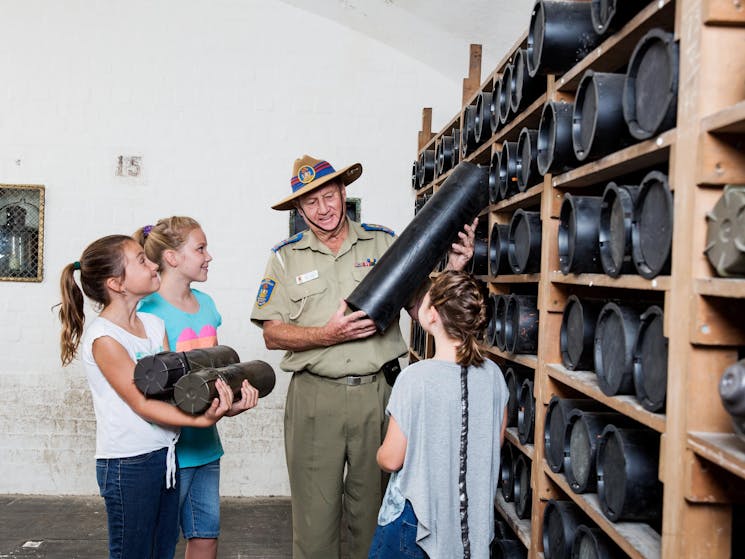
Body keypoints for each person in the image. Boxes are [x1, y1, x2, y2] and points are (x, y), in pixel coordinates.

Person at [250, 154, 476, 559]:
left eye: (329, 195)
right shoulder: (285, 257)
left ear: (343, 192)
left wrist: (453, 271)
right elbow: (272, 333)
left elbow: (424, 309)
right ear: (299, 209)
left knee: (374, 514)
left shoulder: (383, 242)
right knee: (314, 522)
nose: (323, 209)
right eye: (311, 202)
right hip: (315, 400)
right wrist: (327, 335)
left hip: (380, 396)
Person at [57, 234, 235, 559]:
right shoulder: (105, 338)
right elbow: (142, 403)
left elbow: (172, 393)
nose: (153, 264)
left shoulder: (154, 325)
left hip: (164, 457)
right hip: (128, 465)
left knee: (162, 551)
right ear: (117, 283)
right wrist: (203, 418)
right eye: (141, 260)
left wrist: (225, 400)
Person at [134, 217, 259, 559]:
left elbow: (213, 379)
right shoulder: (146, 313)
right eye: (200, 248)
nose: (209, 256)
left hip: (206, 447)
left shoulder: (207, 305)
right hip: (169, 452)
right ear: (172, 257)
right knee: (159, 545)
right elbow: (150, 390)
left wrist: (229, 404)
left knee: (205, 537)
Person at [369, 270, 509, 559]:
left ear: (432, 315)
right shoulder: (494, 376)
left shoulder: (414, 378)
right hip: (469, 522)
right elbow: (493, 444)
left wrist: (378, 453)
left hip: (417, 521)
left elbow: (392, 458)